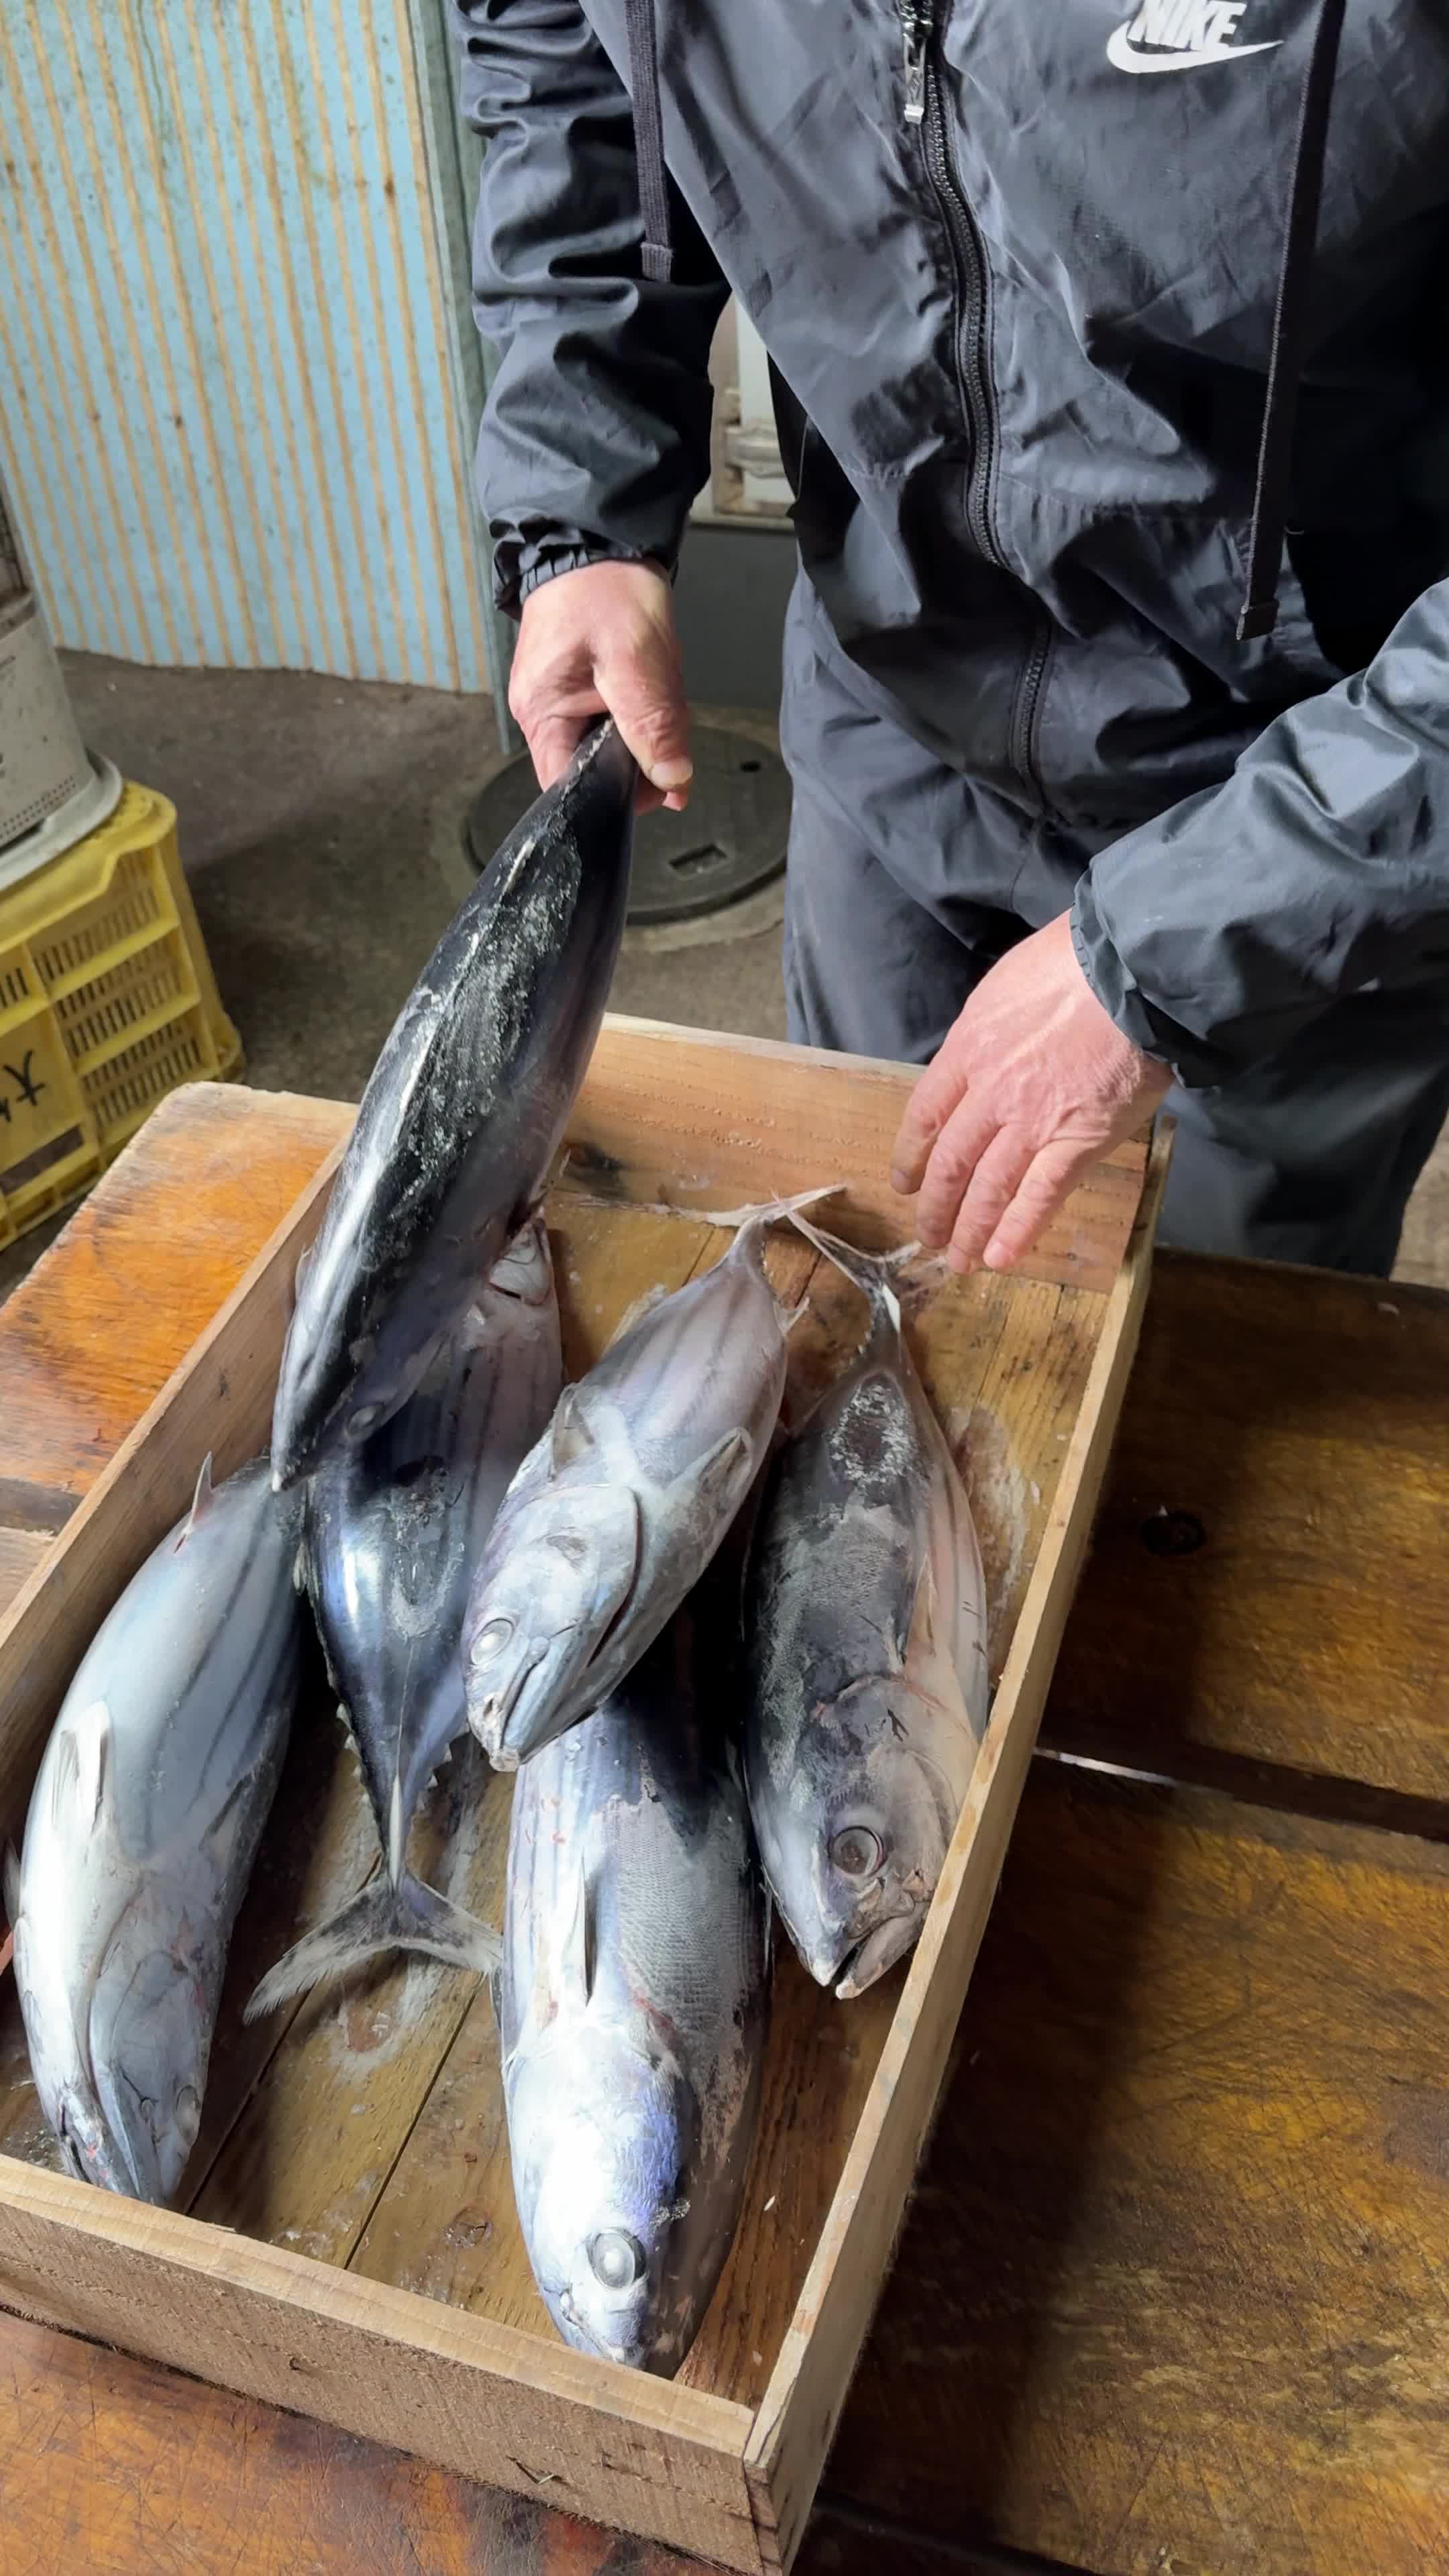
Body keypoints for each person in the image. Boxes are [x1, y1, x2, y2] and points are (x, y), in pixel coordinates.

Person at [452, 0, 1449, 1277]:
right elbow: (570, 52)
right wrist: (577, 504)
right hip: (888, 713)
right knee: (860, 1274)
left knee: (1196, 1389)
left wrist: (1185, 945)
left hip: (1321, 785)